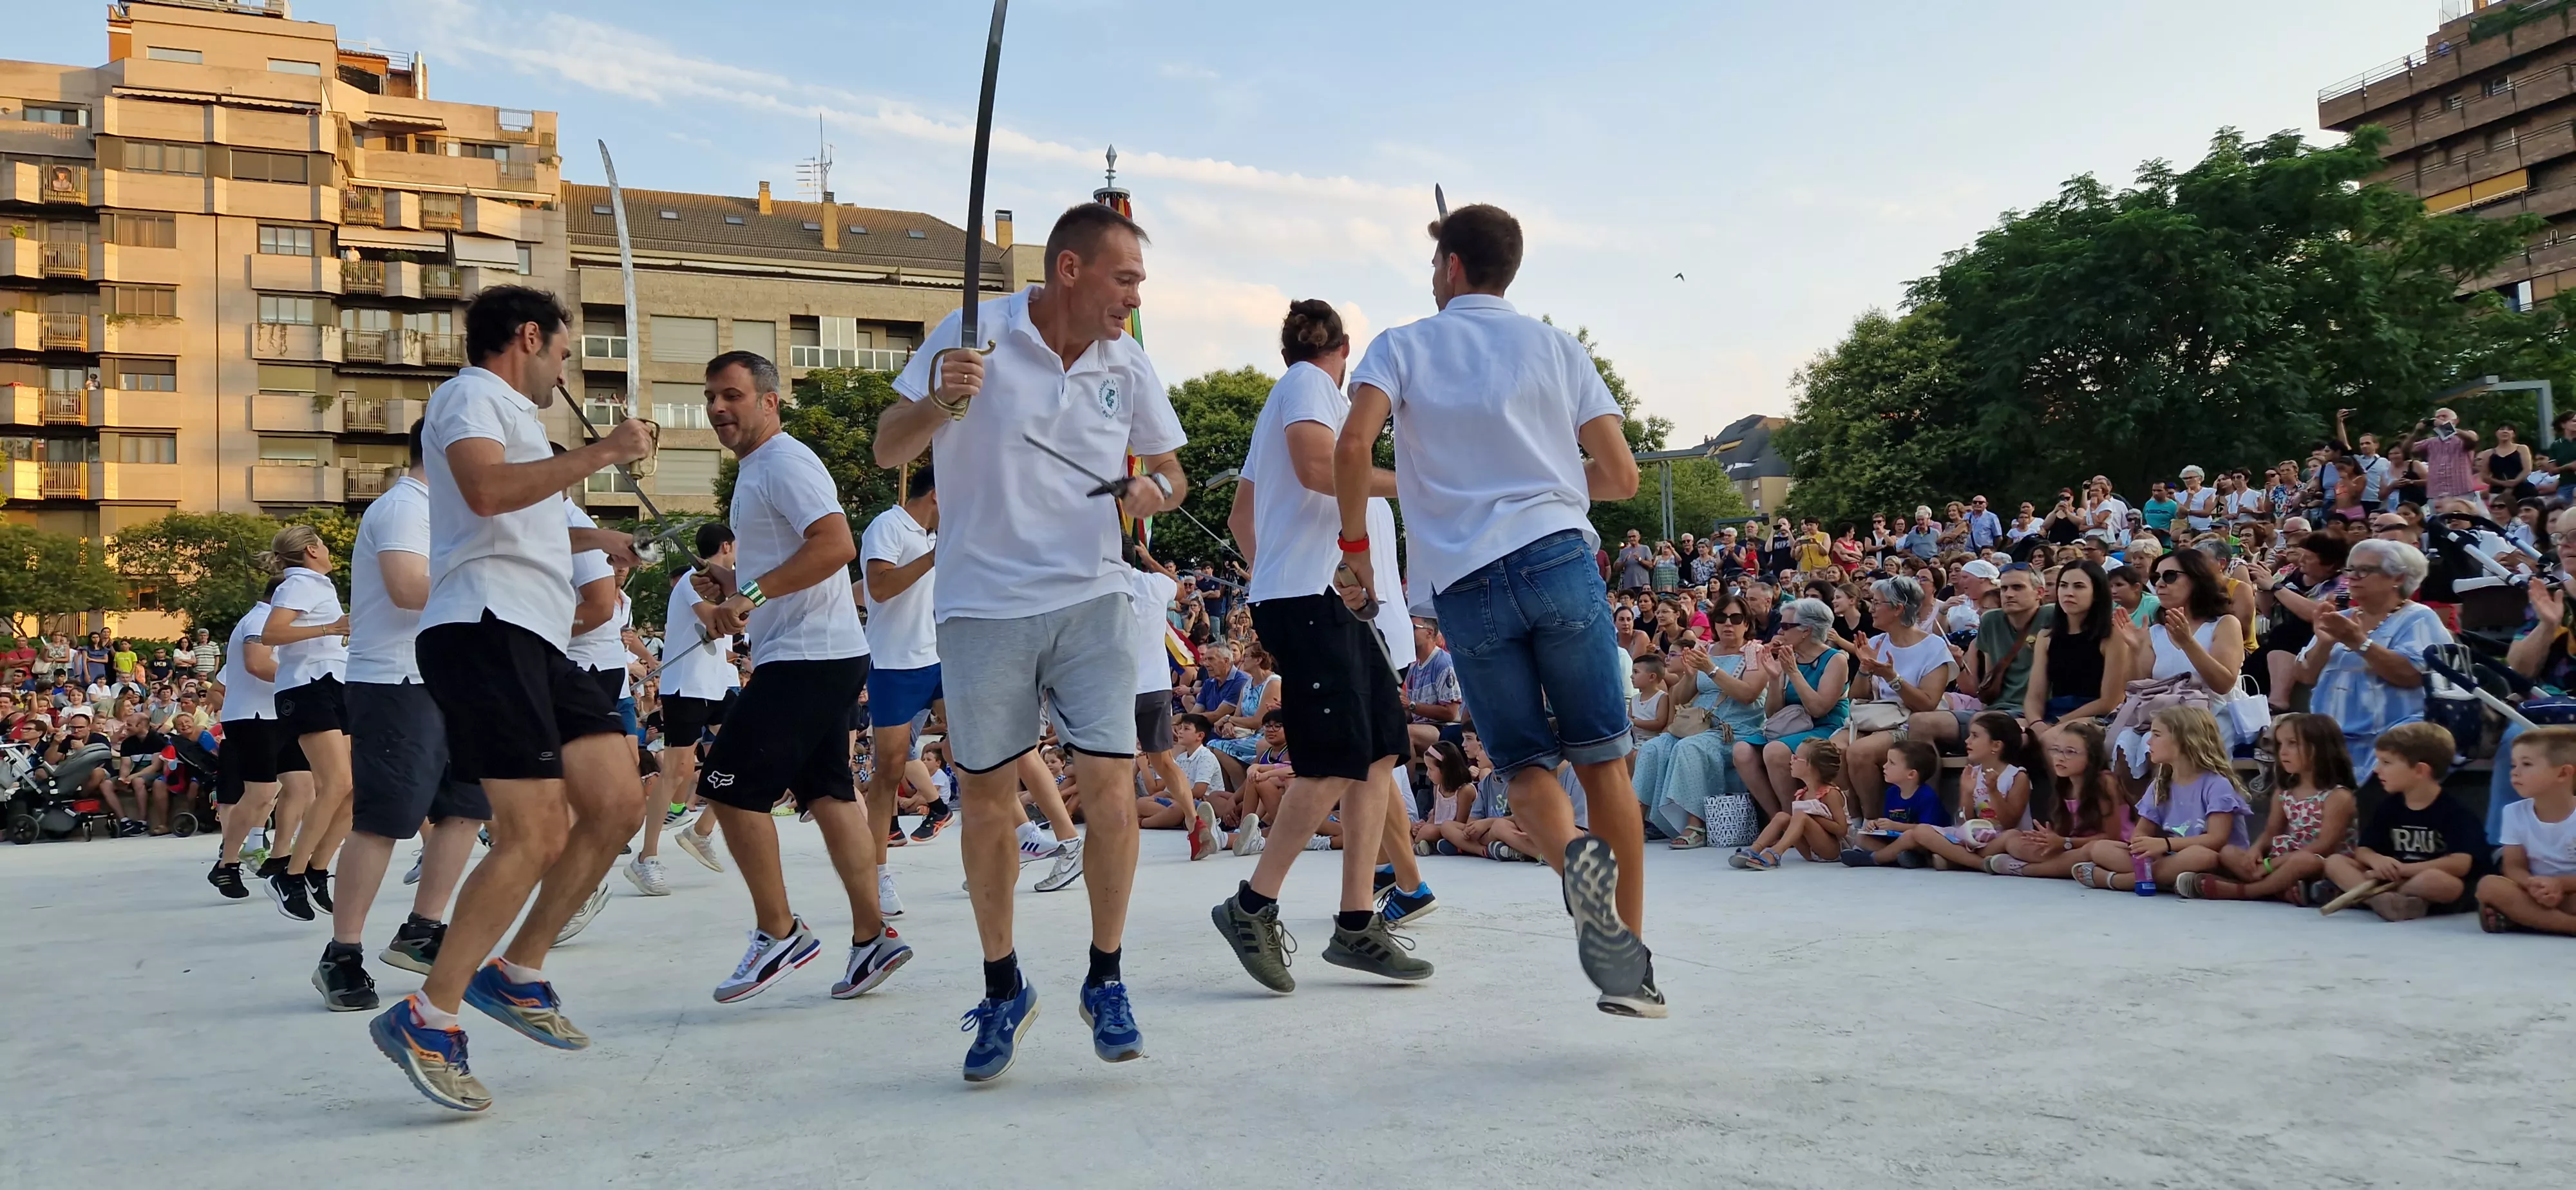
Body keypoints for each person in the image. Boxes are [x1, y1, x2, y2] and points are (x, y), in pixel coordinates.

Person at [878, 202, 1188, 1080]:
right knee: (984, 800)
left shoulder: (1128, 362)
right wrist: (941, 399)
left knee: (1112, 787)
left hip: (1091, 598)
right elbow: (885, 446)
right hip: (980, 605)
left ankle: (1106, 975)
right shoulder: (971, 333)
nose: (1135, 296)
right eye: (1125, 278)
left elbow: (1171, 471)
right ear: (1070, 271)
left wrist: (1152, 495)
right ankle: (1002, 984)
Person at [1334, 202, 1659, 1017]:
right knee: (1603, 761)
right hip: (1556, 554)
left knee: (1521, 768)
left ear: (1448, 267)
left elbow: (1351, 448)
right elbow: (1620, 477)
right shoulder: (1557, 347)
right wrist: (1544, 478)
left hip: (1467, 577)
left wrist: (1354, 551)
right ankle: (1633, 965)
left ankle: (1571, 858)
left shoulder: (1400, 345)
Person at [367, 284, 656, 1114]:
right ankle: (428, 1016)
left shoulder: (520, 422)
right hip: (483, 624)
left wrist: (603, 537)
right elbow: (489, 495)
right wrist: (603, 454)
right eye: (563, 353)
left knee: (617, 802)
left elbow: (523, 513)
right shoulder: (469, 396)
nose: (563, 370)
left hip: (538, 633)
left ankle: (518, 972)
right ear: (528, 337)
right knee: (532, 832)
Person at [1211, 296, 1434, 994]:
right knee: (1337, 758)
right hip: (1309, 599)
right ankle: (1251, 906)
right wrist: (1421, 486)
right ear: (1343, 350)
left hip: (1319, 597)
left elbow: (1241, 514)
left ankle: (1356, 921)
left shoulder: (1289, 395)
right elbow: (1317, 469)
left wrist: (1272, 567)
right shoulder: (1309, 385)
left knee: (1377, 754)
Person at [684, 350, 907, 1006]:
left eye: (732, 395)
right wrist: (733, 582)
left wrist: (747, 590)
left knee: (726, 786)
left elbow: (836, 545)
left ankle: (778, 931)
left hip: (809, 654)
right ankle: (874, 938)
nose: (718, 409)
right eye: (711, 398)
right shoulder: (758, 472)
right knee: (830, 795)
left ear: (769, 401)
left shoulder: (784, 461)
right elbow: (793, 558)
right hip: (821, 650)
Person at [314, 420, 492, 1012]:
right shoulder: (402, 508)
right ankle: (342, 954)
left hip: (449, 681)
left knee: (465, 808)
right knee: (383, 820)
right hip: (395, 679)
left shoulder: (451, 515)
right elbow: (407, 589)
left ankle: (423, 931)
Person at [857, 464, 943, 910]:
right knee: (888, 773)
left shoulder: (932, 538)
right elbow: (880, 586)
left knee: (983, 749)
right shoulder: (887, 526)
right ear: (936, 496)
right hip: (892, 667)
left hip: (936, 660)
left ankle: (1020, 840)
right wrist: (934, 556)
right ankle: (879, 874)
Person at [261, 524, 354, 922]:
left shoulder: (318, 584)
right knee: (336, 784)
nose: (330, 550)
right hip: (307, 687)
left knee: (356, 788)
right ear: (313, 550)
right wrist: (331, 628)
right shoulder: (296, 584)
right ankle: (290, 874)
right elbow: (272, 633)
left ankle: (315, 870)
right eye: (325, 545)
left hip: (332, 683)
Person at [2298, 538, 2447, 781]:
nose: (2353, 577)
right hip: (2330, 745)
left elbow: (2412, 675)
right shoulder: (2341, 617)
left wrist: (2360, 643)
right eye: (2350, 569)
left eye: (2365, 570)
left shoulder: (2418, 617)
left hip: (2389, 746)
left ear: (2398, 578)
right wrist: (2325, 644)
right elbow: (2305, 675)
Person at [2177, 712, 2356, 905]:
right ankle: (2282, 890)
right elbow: (2271, 832)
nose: (2283, 752)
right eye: (2280, 745)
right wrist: (2256, 850)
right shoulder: (2285, 791)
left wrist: (2272, 865)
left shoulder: (2338, 797)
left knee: (2304, 861)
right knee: (2229, 852)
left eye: (2292, 743)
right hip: (2283, 859)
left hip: (2319, 863)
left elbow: (2325, 846)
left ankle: (2246, 891)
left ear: (2320, 748)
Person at [1634, 594, 1769, 847]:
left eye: (1736, 618)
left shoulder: (1755, 652)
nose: (1728, 623)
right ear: (1714, 623)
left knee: (1691, 748)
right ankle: (1637, 822)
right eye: (1722, 618)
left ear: (1747, 624)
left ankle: (1697, 825)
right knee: (1652, 748)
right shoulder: (1705, 650)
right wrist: (1689, 673)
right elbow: (1681, 697)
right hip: (1697, 724)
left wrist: (1711, 670)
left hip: (1734, 729)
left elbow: (1748, 694)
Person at [206, 586, 315, 899]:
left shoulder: (281, 624)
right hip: (253, 717)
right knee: (262, 793)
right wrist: (304, 681)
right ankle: (227, 863)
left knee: (303, 787)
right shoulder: (258, 622)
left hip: (282, 715)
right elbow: (257, 663)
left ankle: (280, 858)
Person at [2315, 721, 2485, 920]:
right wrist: (2377, 861)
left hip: (2425, 880)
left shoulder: (2455, 812)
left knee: (2438, 881)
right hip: (2390, 878)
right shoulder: (2389, 807)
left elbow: (2460, 864)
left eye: (2386, 763)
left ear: (2420, 770)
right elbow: (2364, 850)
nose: (2377, 770)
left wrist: (2403, 870)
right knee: (2335, 862)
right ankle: (2383, 902)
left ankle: (2368, 897)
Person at [643, 524, 737, 880]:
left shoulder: (727, 585)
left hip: (717, 686)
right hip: (686, 685)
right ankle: (647, 858)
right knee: (675, 771)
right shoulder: (691, 583)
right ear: (727, 545)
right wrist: (730, 609)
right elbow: (717, 621)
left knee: (742, 756)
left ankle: (700, 832)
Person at [2073, 706, 2247, 892]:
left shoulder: (2217, 785)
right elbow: (2139, 834)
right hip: (2171, 856)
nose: (2148, 743)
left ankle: (2117, 881)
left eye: (2156, 735)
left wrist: (2164, 844)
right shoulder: (2161, 784)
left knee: (2200, 856)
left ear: (2184, 740)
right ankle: (2173, 879)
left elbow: (2216, 840)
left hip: (2216, 858)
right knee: (2100, 849)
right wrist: (2144, 846)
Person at [1838, 576, 1953, 820]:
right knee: (1833, 750)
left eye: (1877, 603)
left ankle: (1873, 823)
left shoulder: (1934, 647)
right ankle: (1853, 821)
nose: (1871, 609)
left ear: (1898, 608)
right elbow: (1856, 697)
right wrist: (1865, 667)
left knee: (1860, 752)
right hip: (1878, 718)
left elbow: (1927, 705)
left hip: (1909, 722)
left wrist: (1892, 677)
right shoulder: (1877, 642)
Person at [1735, 598, 1852, 816]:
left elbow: (1819, 709)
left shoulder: (1835, 660)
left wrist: (1794, 673)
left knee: (1775, 751)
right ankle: (1778, 817)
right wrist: (1775, 678)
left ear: (1806, 630)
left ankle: (1795, 819)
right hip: (1792, 727)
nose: (1781, 630)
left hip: (1825, 726)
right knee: (1742, 751)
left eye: (1787, 626)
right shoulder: (1789, 657)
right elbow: (1772, 714)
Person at [1985, 720, 2130, 879]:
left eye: (2070, 752)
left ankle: (2026, 870)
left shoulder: (2104, 782)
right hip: (2074, 845)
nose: (2060, 758)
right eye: (2056, 750)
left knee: (2089, 852)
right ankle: (2041, 865)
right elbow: (2064, 836)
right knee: (2014, 841)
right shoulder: (2065, 783)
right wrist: (2049, 840)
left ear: (2091, 757)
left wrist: (2065, 842)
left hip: (2110, 848)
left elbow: (2112, 837)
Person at [2476, 724, 2576, 934]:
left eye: (2527, 764)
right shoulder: (2513, 812)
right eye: (2513, 765)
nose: (2515, 773)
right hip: (2534, 890)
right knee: (2489, 886)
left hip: (2571, 890)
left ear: (2563, 773)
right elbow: (2513, 867)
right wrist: (2533, 885)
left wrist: (2559, 885)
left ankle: (2523, 918)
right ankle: (2568, 926)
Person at [2022, 560, 2126, 726]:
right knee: (1997, 730)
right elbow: (2035, 696)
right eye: (2063, 586)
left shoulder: (2113, 636)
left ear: (2097, 593)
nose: (2068, 593)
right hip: (2053, 712)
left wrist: (2057, 723)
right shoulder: (2046, 636)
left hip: (2093, 717)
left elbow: (2110, 701)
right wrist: (2036, 724)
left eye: (2079, 586)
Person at [1727, 740, 1844, 869]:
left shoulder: (1830, 794)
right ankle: (1753, 850)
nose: (1791, 760)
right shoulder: (1803, 794)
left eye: (1796, 757)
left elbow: (1842, 830)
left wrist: (1813, 818)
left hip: (1833, 851)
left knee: (1800, 817)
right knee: (1782, 816)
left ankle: (1775, 854)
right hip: (1810, 851)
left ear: (1812, 767)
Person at [1838, 740, 1950, 865]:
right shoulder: (1892, 793)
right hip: (1897, 840)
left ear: (1911, 774)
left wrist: (1896, 826)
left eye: (1892, 763)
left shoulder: (1927, 797)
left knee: (1909, 839)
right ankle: (1899, 859)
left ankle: (1873, 859)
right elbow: (1889, 823)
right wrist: (1876, 825)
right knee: (1861, 838)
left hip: (1920, 844)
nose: (1885, 766)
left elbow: (1930, 830)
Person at [2482, 422, 2537, 504]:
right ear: (2496, 433)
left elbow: (2527, 469)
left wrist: (2515, 482)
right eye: (2502, 429)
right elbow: (2485, 476)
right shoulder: (2488, 453)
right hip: (2498, 491)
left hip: (2522, 489)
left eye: (2509, 430)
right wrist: (2503, 483)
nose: (2505, 431)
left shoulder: (2522, 448)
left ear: (2514, 434)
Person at [1613, 529, 1652, 596]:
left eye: (1634, 536)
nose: (1631, 539)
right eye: (1629, 537)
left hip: (1643, 585)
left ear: (1639, 537)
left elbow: (1651, 565)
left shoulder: (1645, 548)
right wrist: (1624, 561)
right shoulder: (1624, 551)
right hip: (1628, 585)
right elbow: (1616, 568)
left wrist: (1640, 560)